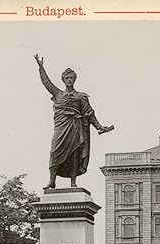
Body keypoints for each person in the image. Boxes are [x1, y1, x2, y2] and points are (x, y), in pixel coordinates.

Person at [34, 54, 114, 189]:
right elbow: (46, 83)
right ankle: (52, 180)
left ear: (74, 79)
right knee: (54, 151)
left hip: (76, 128)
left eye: (71, 78)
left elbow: (89, 113)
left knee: (74, 155)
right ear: (63, 80)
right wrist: (41, 67)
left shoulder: (80, 96)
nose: (69, 80)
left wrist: (99, 127)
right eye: (66, 78)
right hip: (61, 128)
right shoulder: (58, 94)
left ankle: (73, 182)